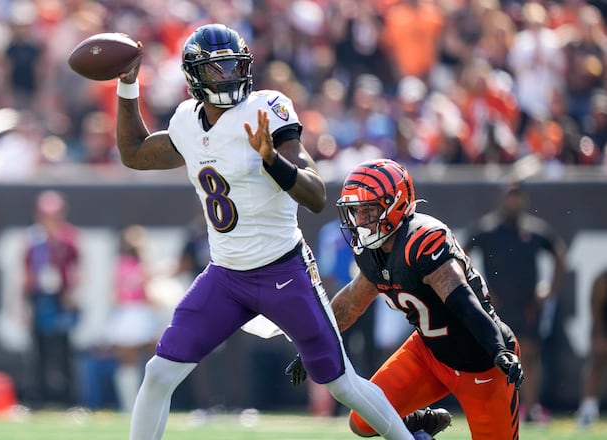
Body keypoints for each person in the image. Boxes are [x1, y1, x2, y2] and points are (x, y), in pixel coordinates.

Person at [115, 23, 434, 440]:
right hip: (226, 275)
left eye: (234, 66)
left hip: (283, 271)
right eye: (217, 69)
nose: (228, 76)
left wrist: (271, 160)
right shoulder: (187, 124)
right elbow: (135, 153)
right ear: (195, 77)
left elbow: (317, 194)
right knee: (159, 372)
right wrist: (127, 84)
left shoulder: (265, 110)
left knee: (340, 382)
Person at [285, 158, 525, 439]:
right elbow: (351, 302)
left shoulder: (421, 240)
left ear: (395, 204)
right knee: (364, 419)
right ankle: (421, 425)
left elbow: (462, 300)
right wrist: (314, 345)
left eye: (369, 210)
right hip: (428, 352)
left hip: (481, 359)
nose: (360, 220)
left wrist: (498, 349)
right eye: (356, 211)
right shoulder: (372, 251)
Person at [462, 181, 567, 423]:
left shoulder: (534, 230)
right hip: (497, 305)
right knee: (498, 356)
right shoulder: (488, 230)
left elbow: (559, 254)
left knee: (529, 354)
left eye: (518, 196)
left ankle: (531, 408)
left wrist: (549, 290)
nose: (514, 201)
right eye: (510, 196)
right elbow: (460, 253)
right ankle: (498, 407)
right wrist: (479, 290)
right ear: (502, 199)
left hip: (528, 304)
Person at [22, 190, 80, 408]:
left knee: (65, 349)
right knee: (38, 350)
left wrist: (73, 293)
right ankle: (37, 398)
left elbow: (78, 270)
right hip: (39, 298)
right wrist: (22, 305)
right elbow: (26, 273)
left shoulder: (69, 239)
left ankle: (69, 398)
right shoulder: (33, 240)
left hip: (61, 299)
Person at [106, 225, 164, 412]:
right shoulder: (136, 266)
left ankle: (132, 404)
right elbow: (146, 294)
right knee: (145, 359)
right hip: (136, 314)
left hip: (130, 314)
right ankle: (138, 403)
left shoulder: (122, 264)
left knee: (133, 361)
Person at [576, 268, 607, 429]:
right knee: (596, 363)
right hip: (603, 327)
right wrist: (599, 333)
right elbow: (596, 305)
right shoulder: (603, 279)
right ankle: (587, 411)